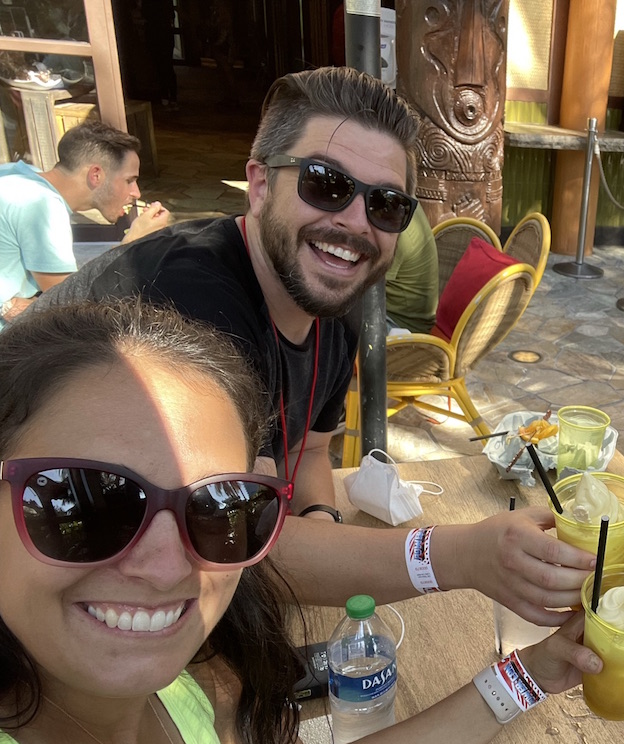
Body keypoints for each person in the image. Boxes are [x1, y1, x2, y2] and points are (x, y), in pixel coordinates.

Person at [0, 299, 603, 744]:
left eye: (221, 508)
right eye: (83, 502)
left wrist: (529, 676)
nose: (165, 568)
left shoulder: (198, 683)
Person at [40, 67, 594, 625]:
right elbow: (230, 541)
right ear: (260, 185)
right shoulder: (189, 305)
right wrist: (461, 556)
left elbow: (306, 452)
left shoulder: (335, 305)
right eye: (325, 183)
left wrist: (323, 524)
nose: (355, 222)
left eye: (386, 205)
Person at [0, 121, 170, 328]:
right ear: (96, 175)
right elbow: (72, 304)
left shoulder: (16, 174)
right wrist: (132, 241)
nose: (136, 193)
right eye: (129, 180)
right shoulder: (42, 205)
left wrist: (23, 304)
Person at [385, 203, 438, 333]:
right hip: (396, 314)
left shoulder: (396, 230)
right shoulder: (405, 205)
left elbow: (364, 289)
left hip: (403, 328)